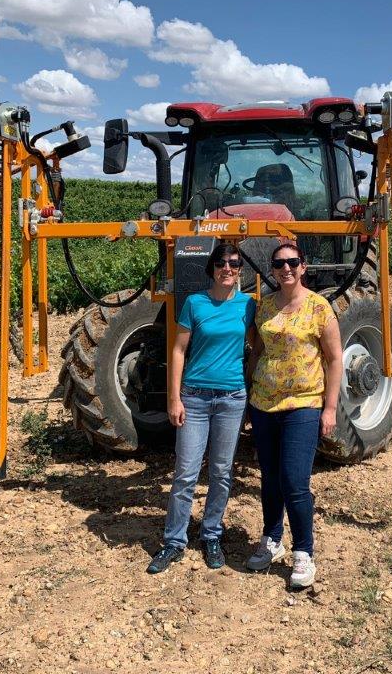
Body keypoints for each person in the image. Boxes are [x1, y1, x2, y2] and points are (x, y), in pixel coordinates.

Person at [147, 243, 256, 574]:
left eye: (234, 263)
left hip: (231, 399)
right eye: (222, 263)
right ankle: (174, 541)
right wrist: (174, 397)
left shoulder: (248, 305)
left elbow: (257, 348)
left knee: (222, 472)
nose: (227, 268)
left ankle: (211, 535)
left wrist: (247, 386)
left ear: (240, 269)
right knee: (186, 472)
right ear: (212, 268)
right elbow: (178, 350)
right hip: (194, 398)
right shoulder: (195, 303)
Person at [245, 243, 343, 588]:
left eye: (292, 262)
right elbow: (257, 351)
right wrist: (247, 396)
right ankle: (272, 540)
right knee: (269, 477)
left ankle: (304, 552)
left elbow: (334, 359)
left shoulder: (319, 307)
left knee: (294, 481)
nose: (286, 268)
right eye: (278, 264)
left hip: (303, 403)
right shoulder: (265, 307)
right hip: (264, 403)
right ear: (271, 270)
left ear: (303, 266)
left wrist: (329, 407)